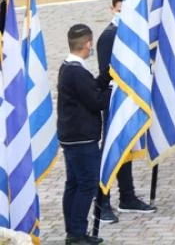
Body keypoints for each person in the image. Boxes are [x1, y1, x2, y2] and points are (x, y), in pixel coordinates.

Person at [95, 0, 156, 223]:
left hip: (131, 99)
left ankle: (127, 196)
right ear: (112, 9)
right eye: (119, 9)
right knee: (112, 149)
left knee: (127, 147)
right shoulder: (109, 36)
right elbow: (105, 73)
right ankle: (102, 199)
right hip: (114, 101)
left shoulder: (134, 34)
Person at [58, 24, 112, 245]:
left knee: (73, 183)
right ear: (88, 44)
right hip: (82, 138)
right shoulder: (76, 71)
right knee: (86, 184)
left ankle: (73, 229)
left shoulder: (68, 67)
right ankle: (77, 232)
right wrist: (112, 91)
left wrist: (105, 77)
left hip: (71, 136)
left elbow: (89, 90)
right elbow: (96, 101)